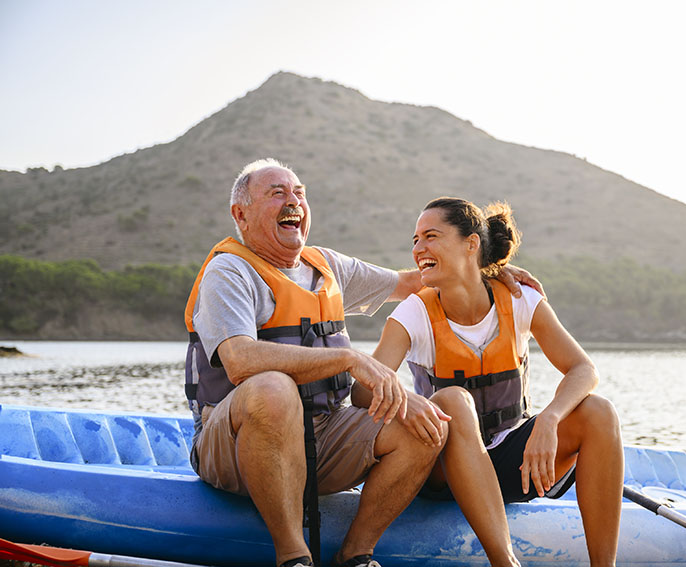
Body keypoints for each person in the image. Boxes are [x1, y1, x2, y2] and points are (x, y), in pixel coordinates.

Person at [183, 160, 542, 567]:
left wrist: (481, 270)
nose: (293, 201)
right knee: (273, 388)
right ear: (240, 214)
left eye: (299, 192)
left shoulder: (328, 267)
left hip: (321, 435)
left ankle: (355, 553)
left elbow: (415, 283)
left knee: (423, 424)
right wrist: (348, 358)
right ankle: (293, 556)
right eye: (277, 193)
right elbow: (240, 361)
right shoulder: (228, 271)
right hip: (232, 443)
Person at [368, 197, 624, 566]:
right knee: (453, 400)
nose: (418, 248)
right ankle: (505, 562)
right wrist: (413, 405)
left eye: (431, 236)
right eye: (415, 240)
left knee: (599, 411)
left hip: (512, 467)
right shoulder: (413, 312)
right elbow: (364, 391)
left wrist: (549, 419)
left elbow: (584, 370)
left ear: (471, 244)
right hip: (440, 472)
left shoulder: (520, 298)